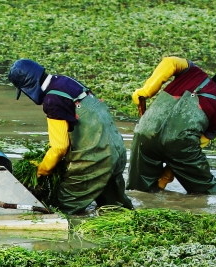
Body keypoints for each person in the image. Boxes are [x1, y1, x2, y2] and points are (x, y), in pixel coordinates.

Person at [8, 59, 133, 214]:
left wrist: (40, 170)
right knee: (117, 208)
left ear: (28, 87)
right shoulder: (66, 81)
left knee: (61, 210)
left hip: (95, 159)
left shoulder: (52, 100)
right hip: (116, 151)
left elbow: (59, 148)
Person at [127, 57, 216, 194]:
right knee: (206, 191)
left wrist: (146, 91)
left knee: (139, 189)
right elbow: (193, 146)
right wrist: (164, 178)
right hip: (180, 144)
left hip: (144, 133)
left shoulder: (193, 72)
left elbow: (170, 62)